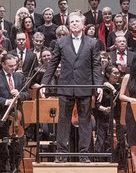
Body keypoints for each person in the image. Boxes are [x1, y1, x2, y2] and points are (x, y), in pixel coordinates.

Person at [42, 12, 104, 162]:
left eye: (77, 21)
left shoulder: (92, 42)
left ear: (83, 25)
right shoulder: (61, 42)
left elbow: (96, 65)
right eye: (72, 21)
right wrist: (45, 82)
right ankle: (62, 154)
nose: (75, 23)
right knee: (63, 120)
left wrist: (99, 86)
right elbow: (52, 64)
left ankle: (84, 154)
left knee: (85, 121)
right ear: (69, 25)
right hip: (66, 86)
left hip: (85, 86)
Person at [0, 52, 28, 173]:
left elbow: (27, 94)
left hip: (17, 117)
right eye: (10, 66)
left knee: (18, 146)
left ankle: (15, 168)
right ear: (3, 64)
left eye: (14, 65)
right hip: (2, 116)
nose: (13, 68)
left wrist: (20, 94)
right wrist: (6, 101)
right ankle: (3, 169)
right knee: (3, 147)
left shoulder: (19, 77)